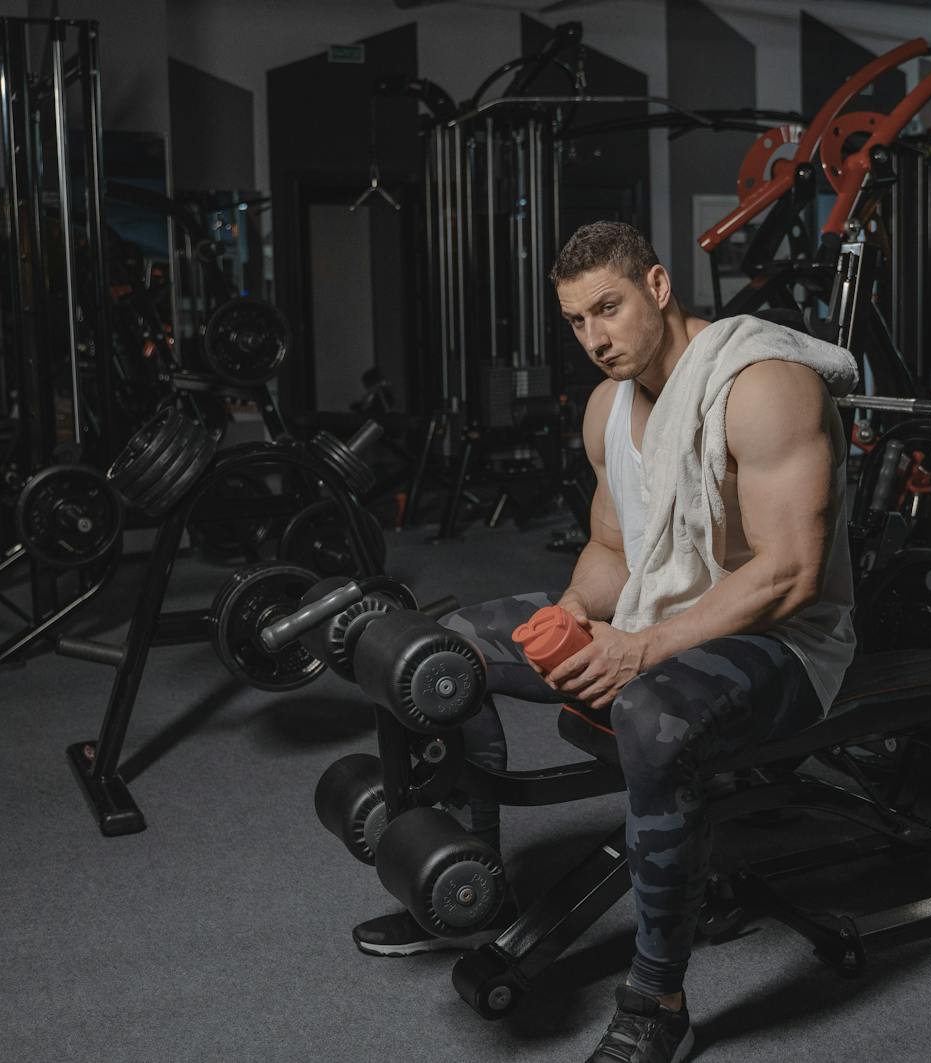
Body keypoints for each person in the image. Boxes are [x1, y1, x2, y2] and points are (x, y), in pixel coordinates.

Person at [352, 221, 857, 1063]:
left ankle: (657, 999)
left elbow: (788, 576)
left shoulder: (763, 386)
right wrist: (574, 610)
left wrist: (640, 648)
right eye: (577, 321)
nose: (595, 338)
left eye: (609, 309)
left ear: (658, 287)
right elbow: (614, 552)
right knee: (439, 651)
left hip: (787, 644)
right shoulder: (606, 408)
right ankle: (469, 891)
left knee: (652, 716)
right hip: (657, 614)